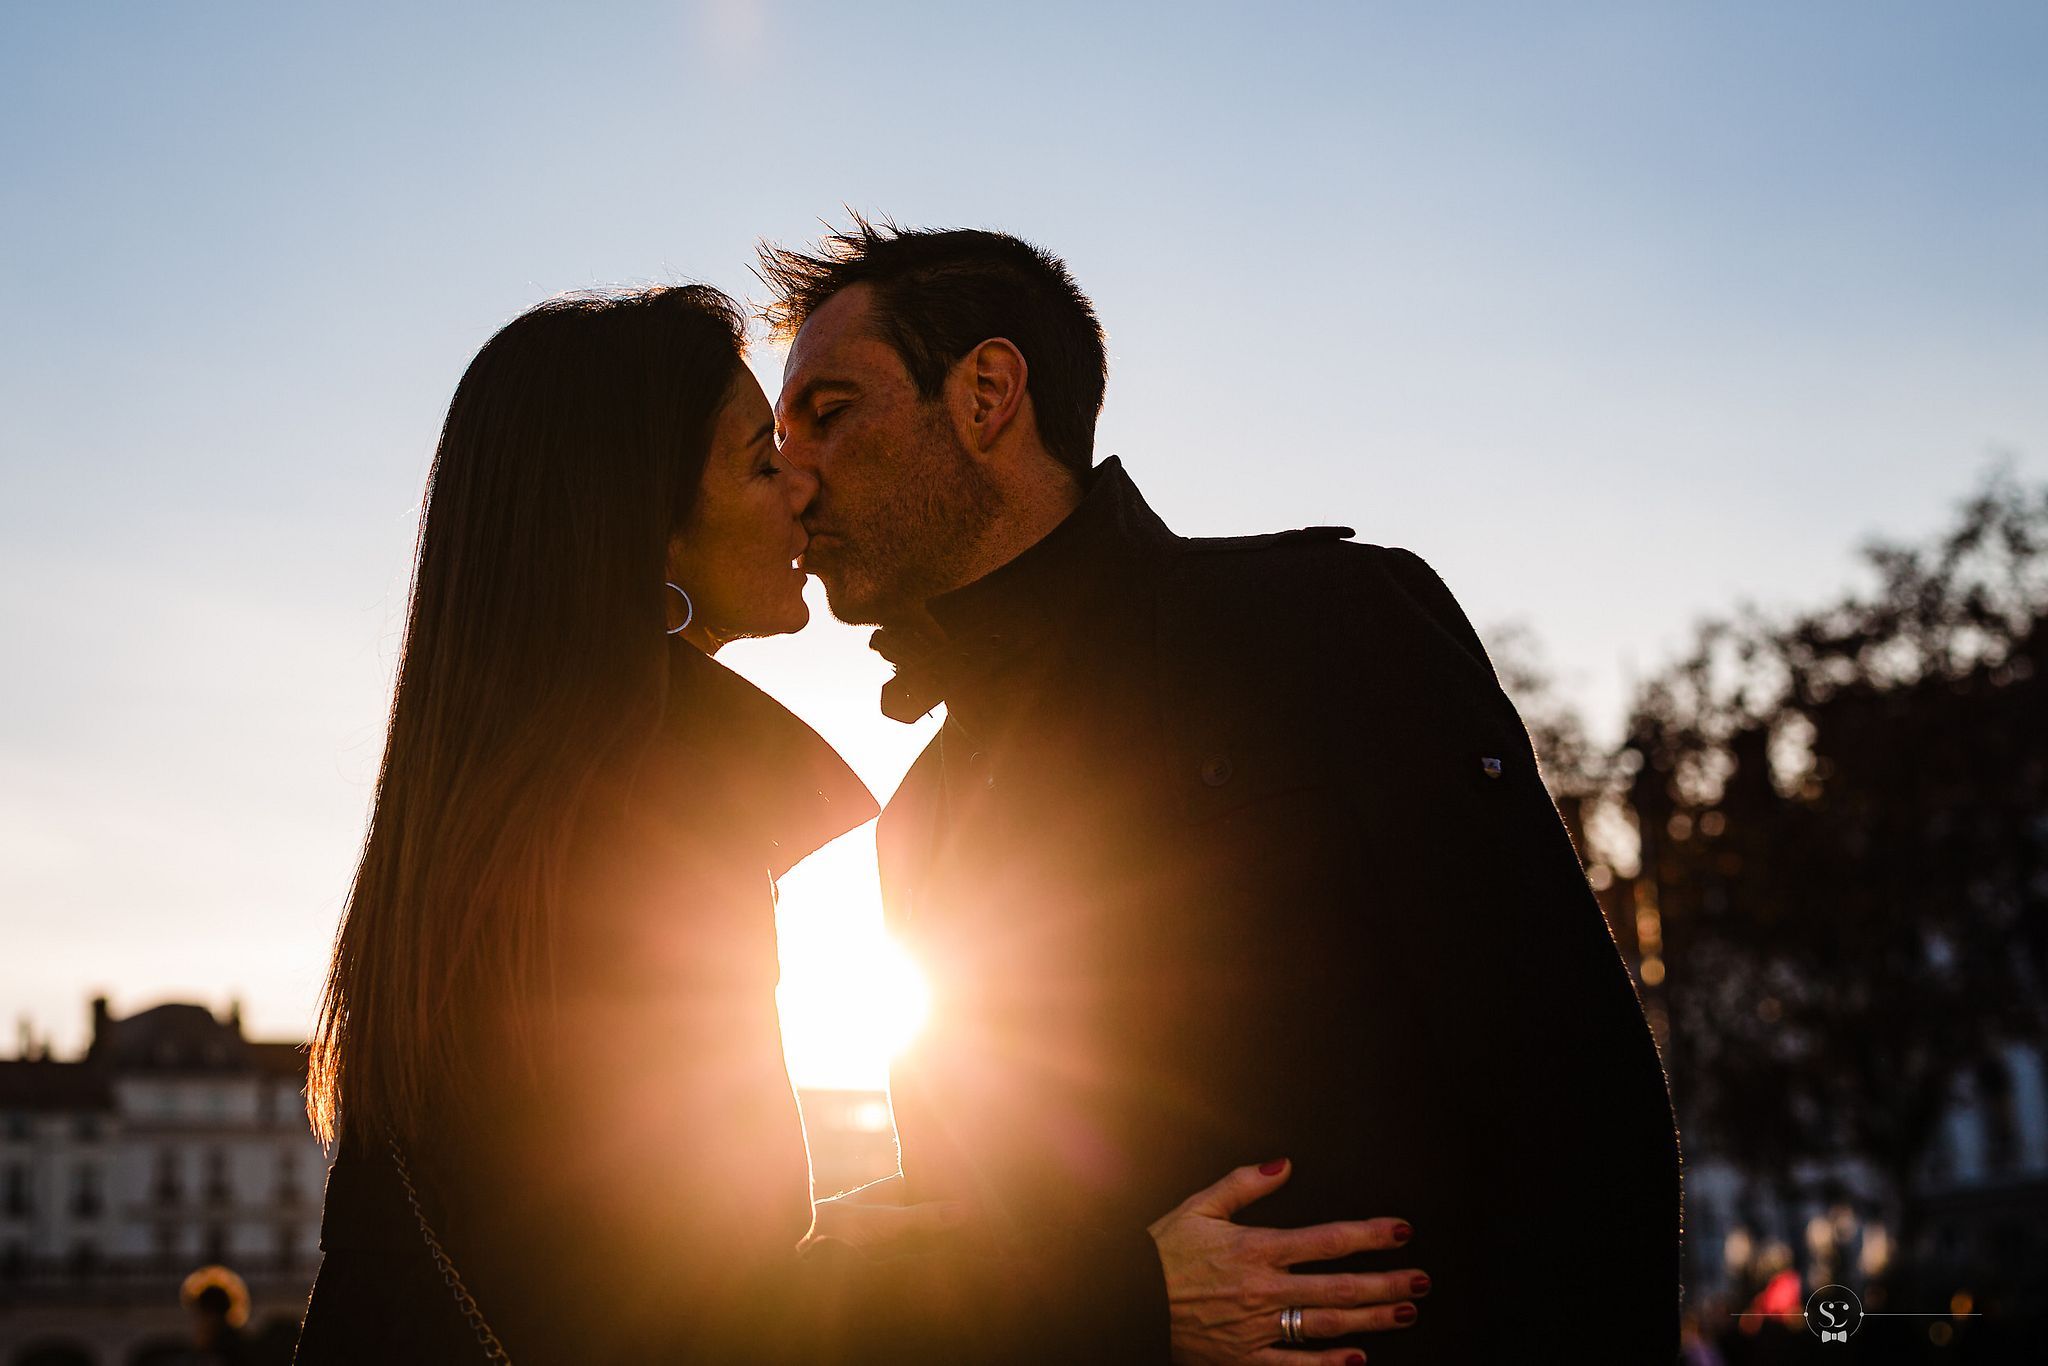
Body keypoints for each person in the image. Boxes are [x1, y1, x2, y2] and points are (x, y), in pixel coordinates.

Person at [294, 284, 1429, 1365]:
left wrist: (847, 1233)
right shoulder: (637, 825)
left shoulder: (528, 817)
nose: (799, 486)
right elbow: (696, 1330)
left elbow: (601, 1252)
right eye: (757, 460)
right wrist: (1130, 1298)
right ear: (642, 533)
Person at [759, 219, 1685, 1363]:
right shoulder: (921, 824)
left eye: (829, 411)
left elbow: (1574, 1101)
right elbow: (993, 1255)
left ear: (987, 391)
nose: (792, 474)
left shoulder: (1327, 624)